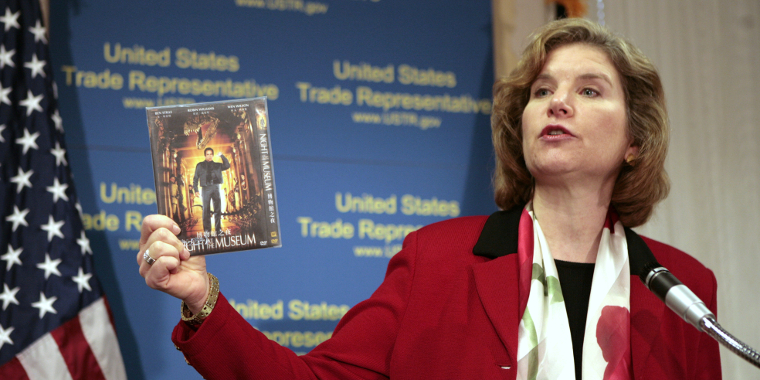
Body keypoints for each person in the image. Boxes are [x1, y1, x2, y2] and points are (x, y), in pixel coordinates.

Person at [138, 18, 721, 379]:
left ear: (635, 142)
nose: (557, 102)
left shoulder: (685, 291)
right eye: (542, 91)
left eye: (588, 90)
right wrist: (202, 297)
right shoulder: (435, 260)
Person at [192, 147, 230, 235]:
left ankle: (218, 230)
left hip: (216, 187)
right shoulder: (200, 165)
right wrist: (196, 190)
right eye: (207, 154)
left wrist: (221, 156)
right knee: (206, 210)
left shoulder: (217, 165)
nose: (209, 156)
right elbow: (196, 178)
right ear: (205, 155)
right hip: (206, 188)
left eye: (210, 154)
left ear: (213, 155)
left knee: (217, 209)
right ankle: (207, 232)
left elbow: (227, 165)